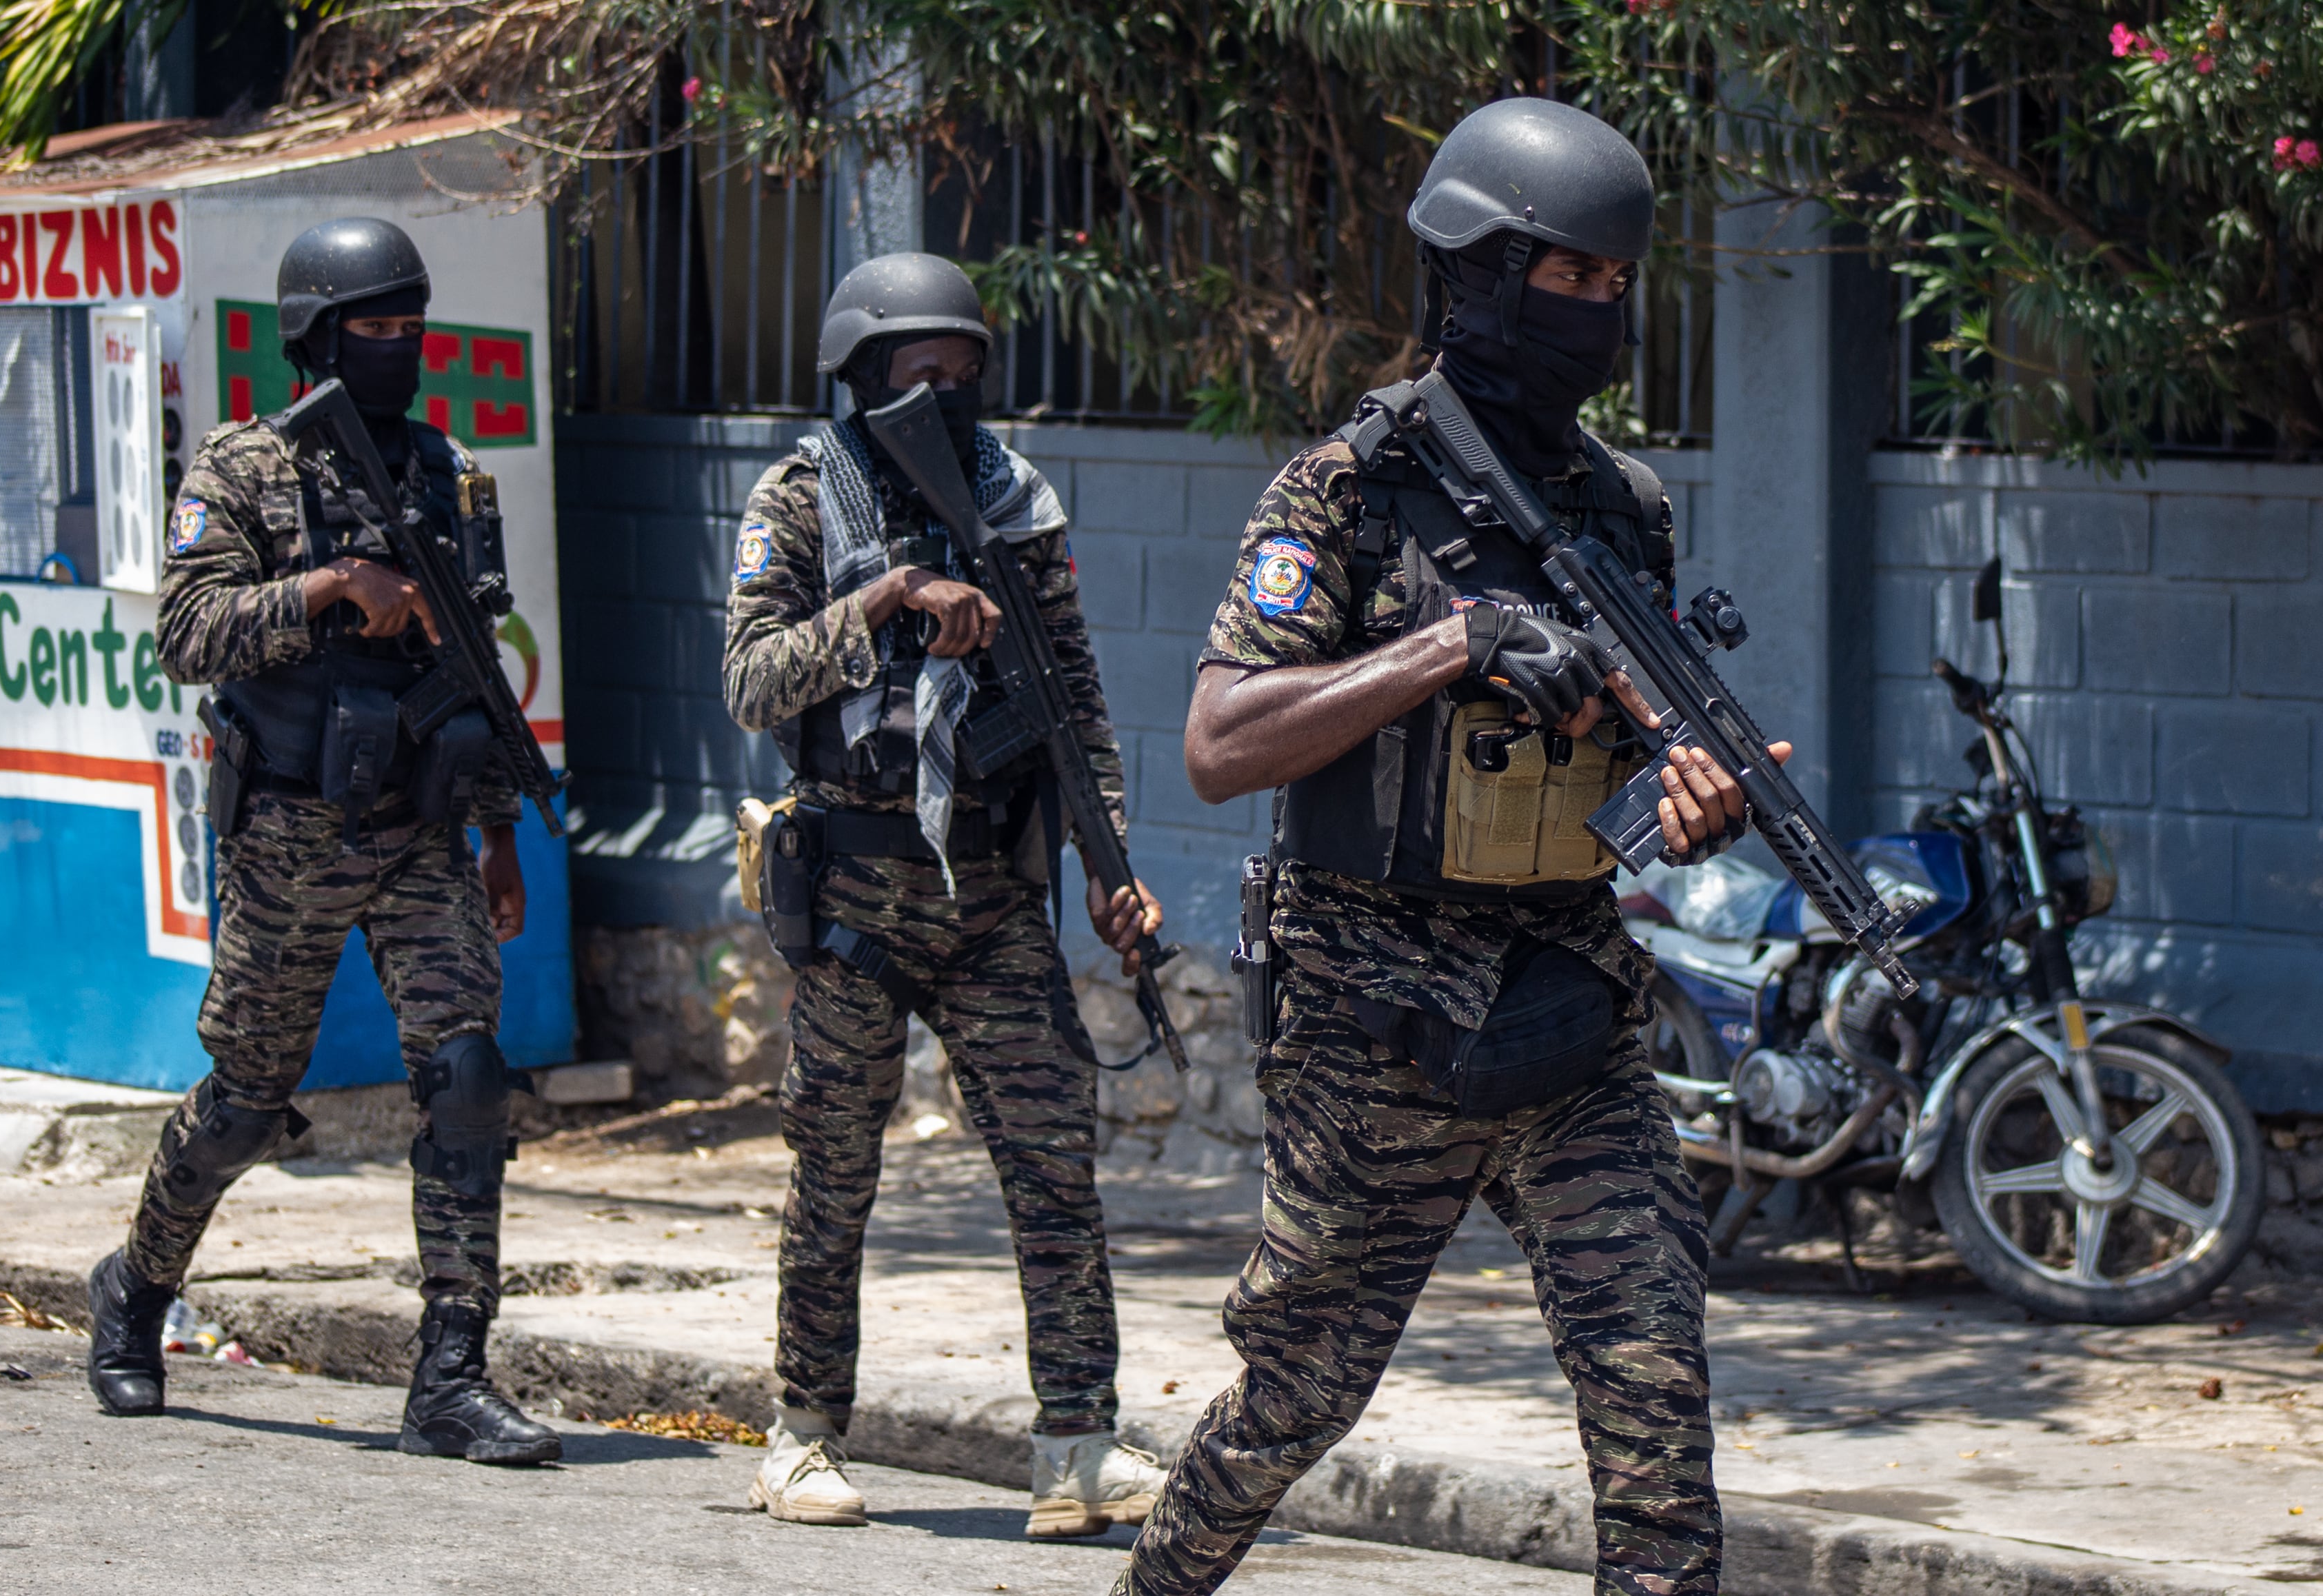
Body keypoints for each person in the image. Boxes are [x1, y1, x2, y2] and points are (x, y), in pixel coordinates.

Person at [1114, 99, 1791, 1596]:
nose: (1599, 311)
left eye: (1617, 283)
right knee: (1296, 1397)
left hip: (1568, 999)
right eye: (1568, 277)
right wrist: (1449, 645)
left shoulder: (1623, 505)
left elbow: (1628, 765)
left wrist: (1693, 800)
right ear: (1478, 274)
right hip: (1378, 1019)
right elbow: (1220, 744)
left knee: (1653, 1381)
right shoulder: (1345, 492)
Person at [85, 216, 561, 1466]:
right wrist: (332, 588)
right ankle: (135, 1287)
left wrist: (500, 833)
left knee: (467, 1077)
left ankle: (450, 1376)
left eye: (412, 327)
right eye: (375, 328)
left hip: (420, 829)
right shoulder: (243, 468)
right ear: (316, 335)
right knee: (248, 1102)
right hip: (289, 832)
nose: (400, 347)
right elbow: (186, 633)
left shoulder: (450, 473)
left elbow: (475, 672)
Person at [722, 252, 1169, 1539]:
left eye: (968, 369)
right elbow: (752, 683)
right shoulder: (800, 499)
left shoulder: (1013, 498)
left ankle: (1076, 1447)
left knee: (1054, 1160)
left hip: (991, 894)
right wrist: (887, 599)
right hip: (856, 890)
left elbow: (1073, 697)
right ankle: (803, 1435)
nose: (952, 391)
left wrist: (1109, 864)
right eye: (925, 372)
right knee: (835, 1171)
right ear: (864, 377)